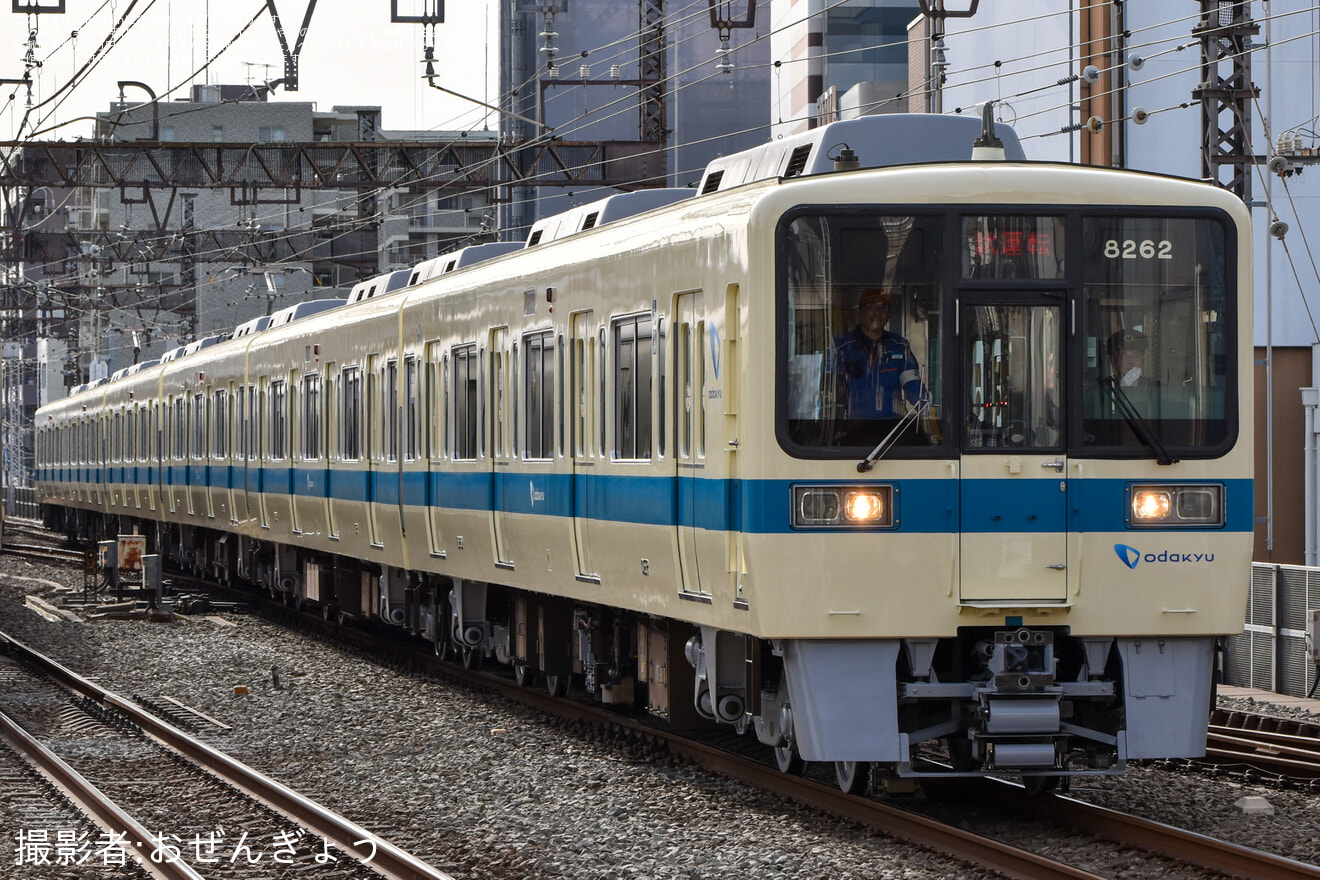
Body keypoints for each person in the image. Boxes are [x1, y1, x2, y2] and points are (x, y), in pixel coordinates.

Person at [833, 288, 926, 418]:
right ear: (860, 312)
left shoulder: (899, 346)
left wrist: (927, 410)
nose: (877, 312)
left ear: (888, 316)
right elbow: (832, 393)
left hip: (891, 430)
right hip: (854, 430)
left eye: (884, 307)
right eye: (871, 306)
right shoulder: (842, 348)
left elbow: (914, 387)